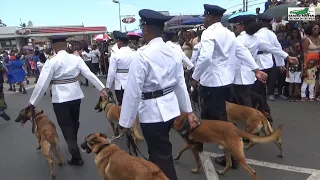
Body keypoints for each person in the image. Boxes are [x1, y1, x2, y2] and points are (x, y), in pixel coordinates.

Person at [118, 9, 199, 180]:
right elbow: (180, 84)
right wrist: (188, 111)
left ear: (146, 29)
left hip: (152, 113)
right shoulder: (173, 51)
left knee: (161, 158)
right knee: (158, 154)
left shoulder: (142, 55)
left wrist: (126, 122)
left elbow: (133, 92)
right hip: (170, 109)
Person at [191, 4, 268, 169]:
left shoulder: (209, 33)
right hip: (225, 83)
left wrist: (194, 77)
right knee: (206, 117)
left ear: (210, 17)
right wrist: (255, 69)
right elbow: (242, 51)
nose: (204, 20)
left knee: (220, 123)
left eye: (205, 17)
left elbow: (204, 58)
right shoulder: (228, 33)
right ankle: (198, 144)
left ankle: (232, 159)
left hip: (212, 84)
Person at [29, 36, 106, 166]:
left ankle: (75, 154)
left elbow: (42, 83)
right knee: (74, 122)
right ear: (66, 46)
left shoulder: (52, 61)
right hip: (76, 95)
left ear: (53, 47)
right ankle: (74, 143)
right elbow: (89, 74)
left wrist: (33, 102)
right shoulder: (76, 58)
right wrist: (102, 88)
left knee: (66, 125)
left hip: (60, 98)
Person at [232, 15, 294, 107]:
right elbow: (272, 48)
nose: (236, 27)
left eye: (237, 25)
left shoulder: (239, 39)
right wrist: (287, 56)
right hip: (250, 74)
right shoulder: (256, 38)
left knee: (242, 103)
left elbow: (241, 57)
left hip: (239, 75)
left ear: (242, 26)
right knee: (249, 100)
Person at [106, 31, 134, 105]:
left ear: (119, 42)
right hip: (132, 83)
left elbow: (111, 72)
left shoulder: (115, 55)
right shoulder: (134, 53)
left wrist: (108, 86)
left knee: (122, 105)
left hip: (120, 85)